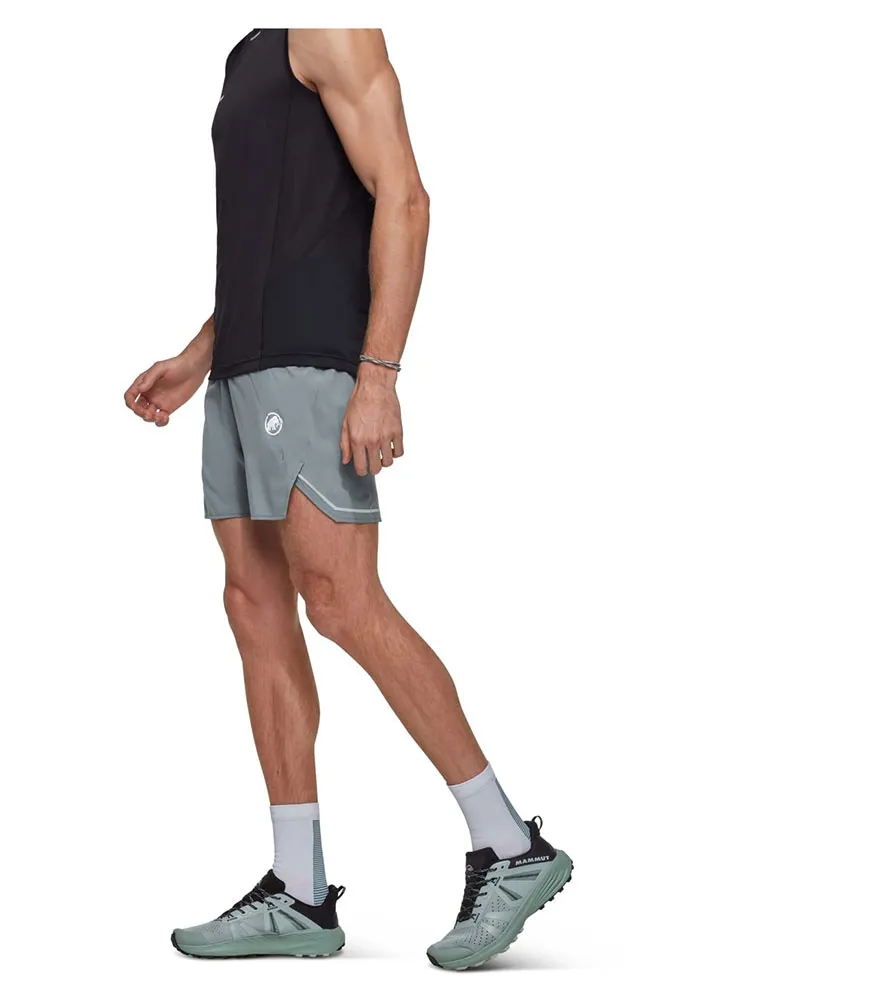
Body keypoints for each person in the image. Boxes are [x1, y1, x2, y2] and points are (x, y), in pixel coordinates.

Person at [124, 27, 572, 971]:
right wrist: (198, 357)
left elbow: (403, 197)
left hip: (315, 364)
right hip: (241, 369)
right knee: (253, 602)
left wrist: (379, 375)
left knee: (342, 600)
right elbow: (277, 235)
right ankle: (297, 890)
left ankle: (508, 843)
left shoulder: (331, 25)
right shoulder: (250, 50)